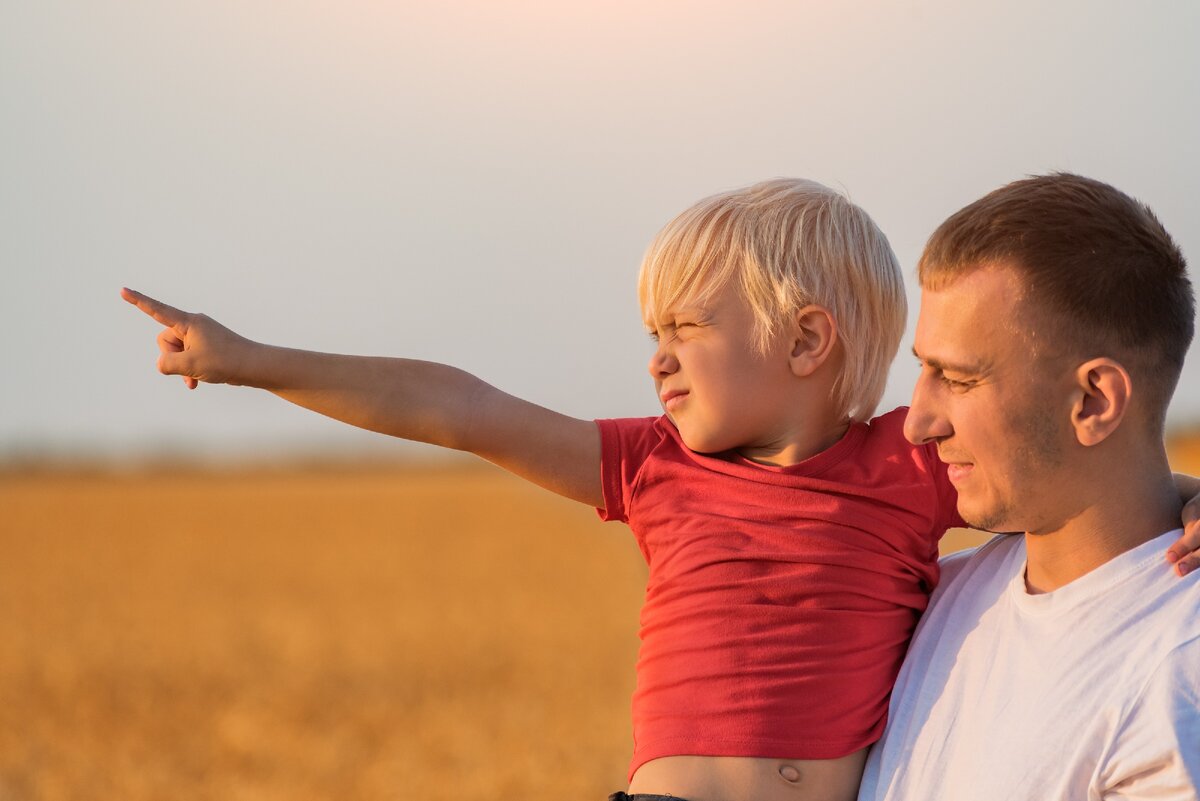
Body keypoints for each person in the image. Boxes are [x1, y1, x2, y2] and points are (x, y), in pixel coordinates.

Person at [122, 178, 1199, 801]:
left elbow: (1101, 478)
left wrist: (1185, 496)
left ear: (808, 339)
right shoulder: (654, 469)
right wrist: (252, 359)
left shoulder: (908, 470)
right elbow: (456, 407)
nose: (657, 360)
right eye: (655, 334)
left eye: (685, 328)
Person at [857, 173, 1200, 800]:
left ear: (1094, 401)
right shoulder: (928, 601)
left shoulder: (1177, 671)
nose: (917, 423)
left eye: (958, 379)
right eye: (923, 369)